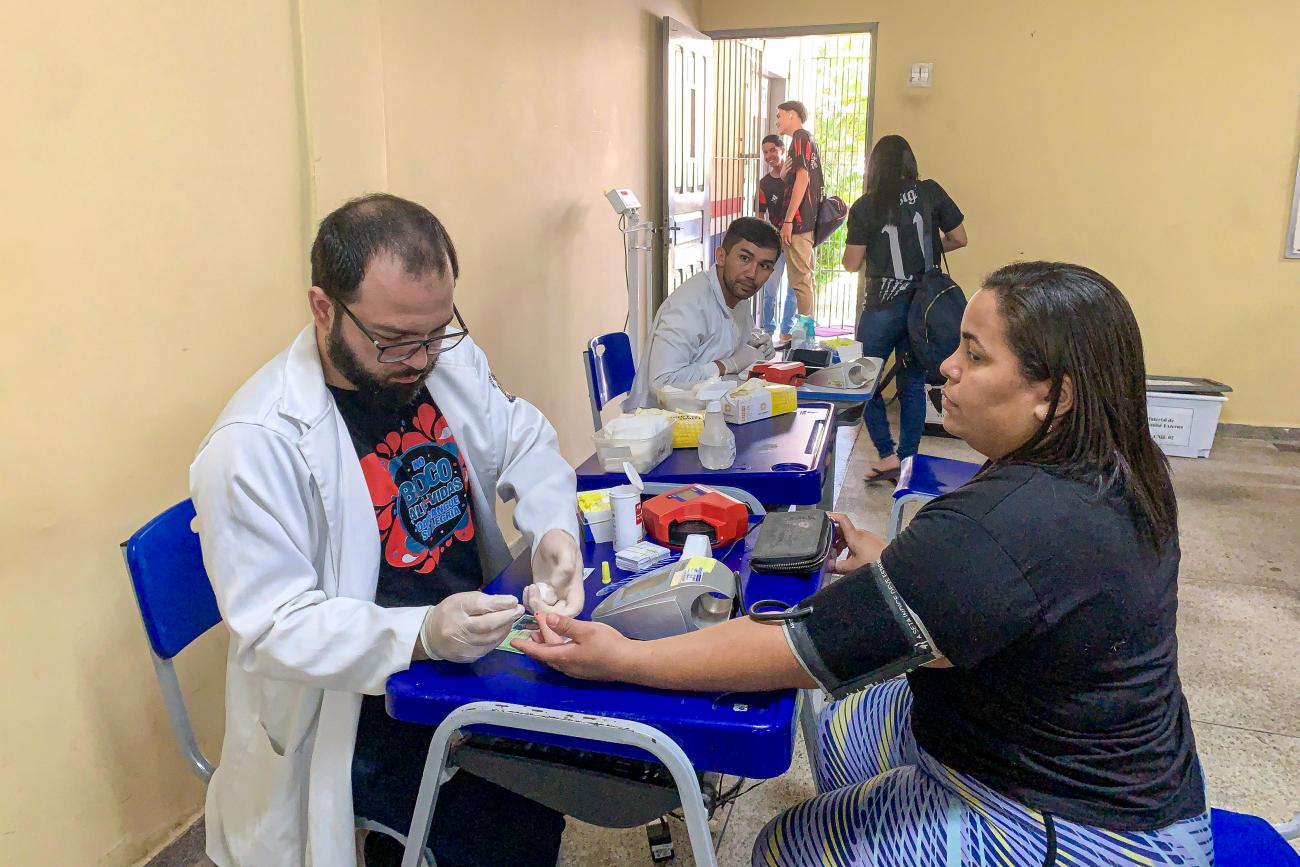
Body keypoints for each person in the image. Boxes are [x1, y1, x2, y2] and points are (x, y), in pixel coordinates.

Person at [518, 261, 1214, 867]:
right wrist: (898, 568)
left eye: (974, 355)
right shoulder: (1116, 470)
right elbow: (1021, 597)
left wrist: (621, 658)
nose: (947, 366)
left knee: (784, 844)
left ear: (1053, 394)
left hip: (1086, 827)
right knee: (836, 729)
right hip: (1104, 762)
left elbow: (793, 647)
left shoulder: (1002, 525)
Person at [190, 194, 582, 867]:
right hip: (362, 701)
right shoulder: (253, 445)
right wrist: (421, 633)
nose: (420, 358)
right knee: (504, 822)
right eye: (394, 341)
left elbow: (525, 439)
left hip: (473, 656)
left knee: (578, 754)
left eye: (436, 332)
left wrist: (553, 528)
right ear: (323, 309)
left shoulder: (442, 360)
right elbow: (274, 625)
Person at [843, 134, 968, 483]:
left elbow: (851, 263)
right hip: (924, 308)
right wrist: (926, 246)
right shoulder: (929, 192)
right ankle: (908, 458)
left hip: (882, 306)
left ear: (875, 168)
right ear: (909, 163)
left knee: (862, 381)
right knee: (912, 383)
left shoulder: (866, 206)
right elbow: (959, 237)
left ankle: (885, 453)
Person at [624, 216, 780, 409]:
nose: (752, 273)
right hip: (663, 425)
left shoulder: (739, 299)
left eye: (764, 265)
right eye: (744, 258)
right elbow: (663, 382)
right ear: (721, 256)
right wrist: (729, 364)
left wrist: (755, 342)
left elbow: (725, 338)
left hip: (712, 415)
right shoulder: (689, 305)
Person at [775, 100, 823, 318]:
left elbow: (803, 179)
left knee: (801, 281)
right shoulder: (808, 139)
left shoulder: (800, 138)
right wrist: (785, 176)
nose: (777, 121)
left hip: (800, 222)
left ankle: (806, 335)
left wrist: (788, 221)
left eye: (779, 116)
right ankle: (806, 331)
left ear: (792, 115)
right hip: (805, 220)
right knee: (805, 279)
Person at [756, 133, 795, 344]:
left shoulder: (794, 178)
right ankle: (768, 329)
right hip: (775, 243)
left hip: (795, 240)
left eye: (772, 150)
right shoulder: (764, 183)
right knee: (770, 287)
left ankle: (786, 330)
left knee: (793, 289)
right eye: (765, 152)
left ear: (782, 149)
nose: (769, 155)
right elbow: (760, 215)